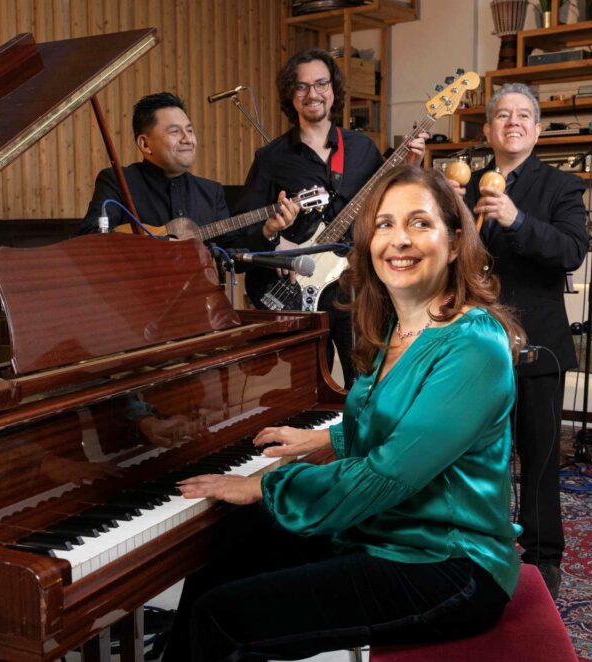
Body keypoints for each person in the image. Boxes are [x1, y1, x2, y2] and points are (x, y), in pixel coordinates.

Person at [162, 165, 525, 661]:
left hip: (448, 563)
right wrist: (322, 442)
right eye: (384, 224)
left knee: (222, 616)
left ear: (457, 242)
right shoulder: (397, 328)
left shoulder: (474, 345)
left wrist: (263, 485)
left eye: (419, 223)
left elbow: (386, 475)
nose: (398, 240)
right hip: (381, 531)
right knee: (225, 552)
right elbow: (389, 422)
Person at [457, 82, 588, 600]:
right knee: (473, 456)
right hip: (471, 346)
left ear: (536, 129)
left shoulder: (561, 186)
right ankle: (477, 549)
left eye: (524, 115)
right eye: (502, 115)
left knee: (537, 459)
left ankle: (542, 559)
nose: (513, 122)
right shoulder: (463, 186)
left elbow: (571, 250)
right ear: (488, 129)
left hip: (538, 345)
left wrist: (516, 220)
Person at [235, 49, 429, 387]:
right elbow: (244, 230)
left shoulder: (361, 149)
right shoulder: (271, 159)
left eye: (321, 83)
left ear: (333, 90)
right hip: (298, 293)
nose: (313, 94)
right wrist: (273, 242)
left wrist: (410, 163)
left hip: (354, 288)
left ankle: (361, 439)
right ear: (290, 95)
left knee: (367, 383)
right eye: (302, 86)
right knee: (310, 387)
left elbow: (389, 206)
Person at [79, 92, 297, 249]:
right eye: (175, 131)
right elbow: (90, 238)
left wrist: (268, 231)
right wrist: (160, 244)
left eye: (190, 130)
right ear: (145, 145)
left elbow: (232, 254)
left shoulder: (211, 192)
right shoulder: (118, 181)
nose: (187, 139)